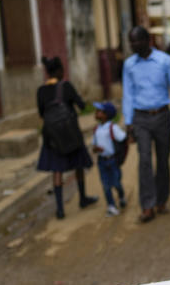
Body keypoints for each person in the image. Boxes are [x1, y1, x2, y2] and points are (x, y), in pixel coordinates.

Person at [122, 25, 170, 223]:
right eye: (130, 41)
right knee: (144, 161)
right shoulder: (129, 65)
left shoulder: (165, 61)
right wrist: (128, 122)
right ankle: (147, 206)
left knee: (162, 161)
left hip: (162, 117)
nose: (133, 45)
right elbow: (128, 94)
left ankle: (161, 200)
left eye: (137, 41)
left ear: (147, 40)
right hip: (140, 118)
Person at [36, 56, 97, 219]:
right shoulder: (66, 86)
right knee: (78, 165)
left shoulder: (41, 90)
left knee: (57, 170)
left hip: (52, 136)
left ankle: (60, 209)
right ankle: (83, 198)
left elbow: (42, 113)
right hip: (71, 134)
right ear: (59, 71)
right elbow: (82, 106)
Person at [89, 101, 127, 217]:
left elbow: (123, 139)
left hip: (113, 161)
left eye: (99, 112)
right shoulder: (96, 129)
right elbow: (93, 145)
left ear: (106, 114)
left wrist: (120, 156)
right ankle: (111, 206)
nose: (96, 113)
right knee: (105, 185)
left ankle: (121, 196)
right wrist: (96, 149)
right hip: (102, 161)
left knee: (116, 183)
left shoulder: (113, 128)